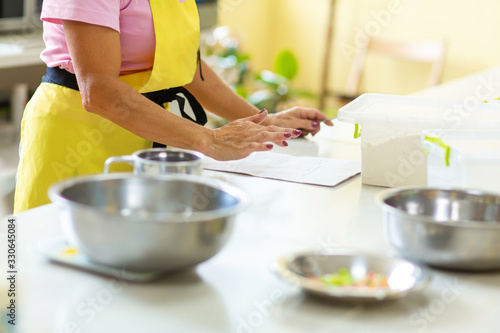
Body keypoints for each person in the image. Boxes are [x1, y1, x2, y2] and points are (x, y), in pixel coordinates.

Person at [13, 0, 333, 213]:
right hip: (79, 138)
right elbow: (99, 90)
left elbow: (188, 70)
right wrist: (210, 139)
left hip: (149, 136)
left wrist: (261, 120)